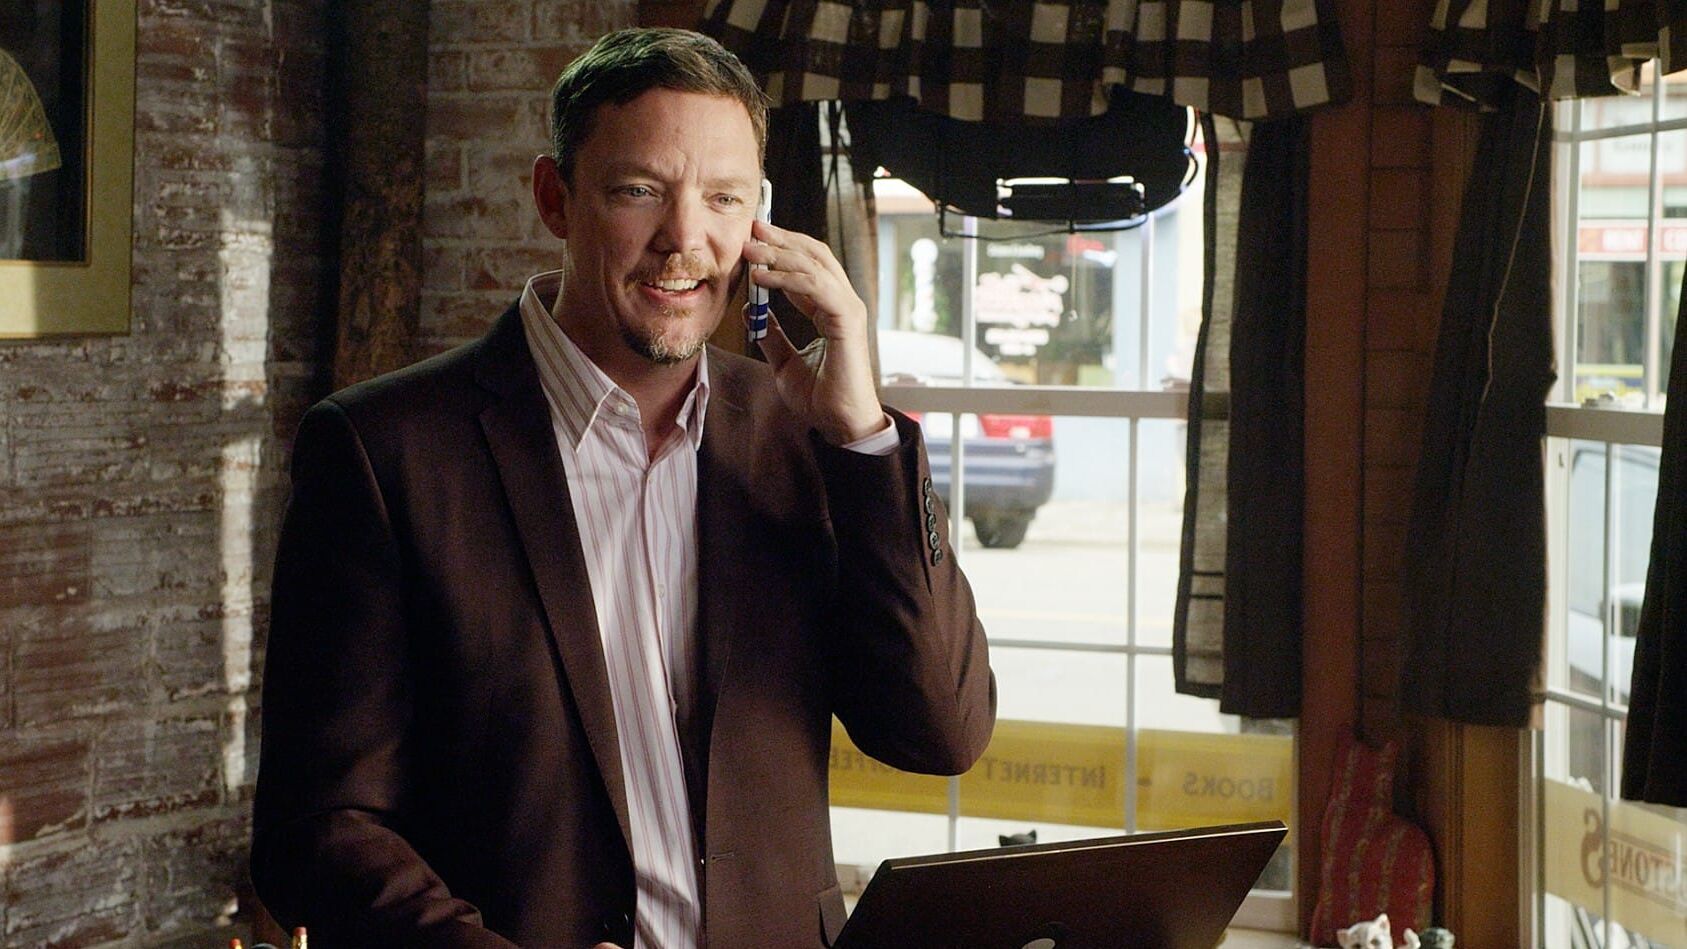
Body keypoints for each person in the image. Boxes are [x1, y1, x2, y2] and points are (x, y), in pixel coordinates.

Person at [251, 28, 996, 949]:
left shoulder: (804, 438)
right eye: (639, 190)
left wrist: (862, 438)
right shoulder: (382, 450)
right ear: (554, 198)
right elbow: (319, 827)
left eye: (723, 198)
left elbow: (940, 731)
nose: (685, 240)